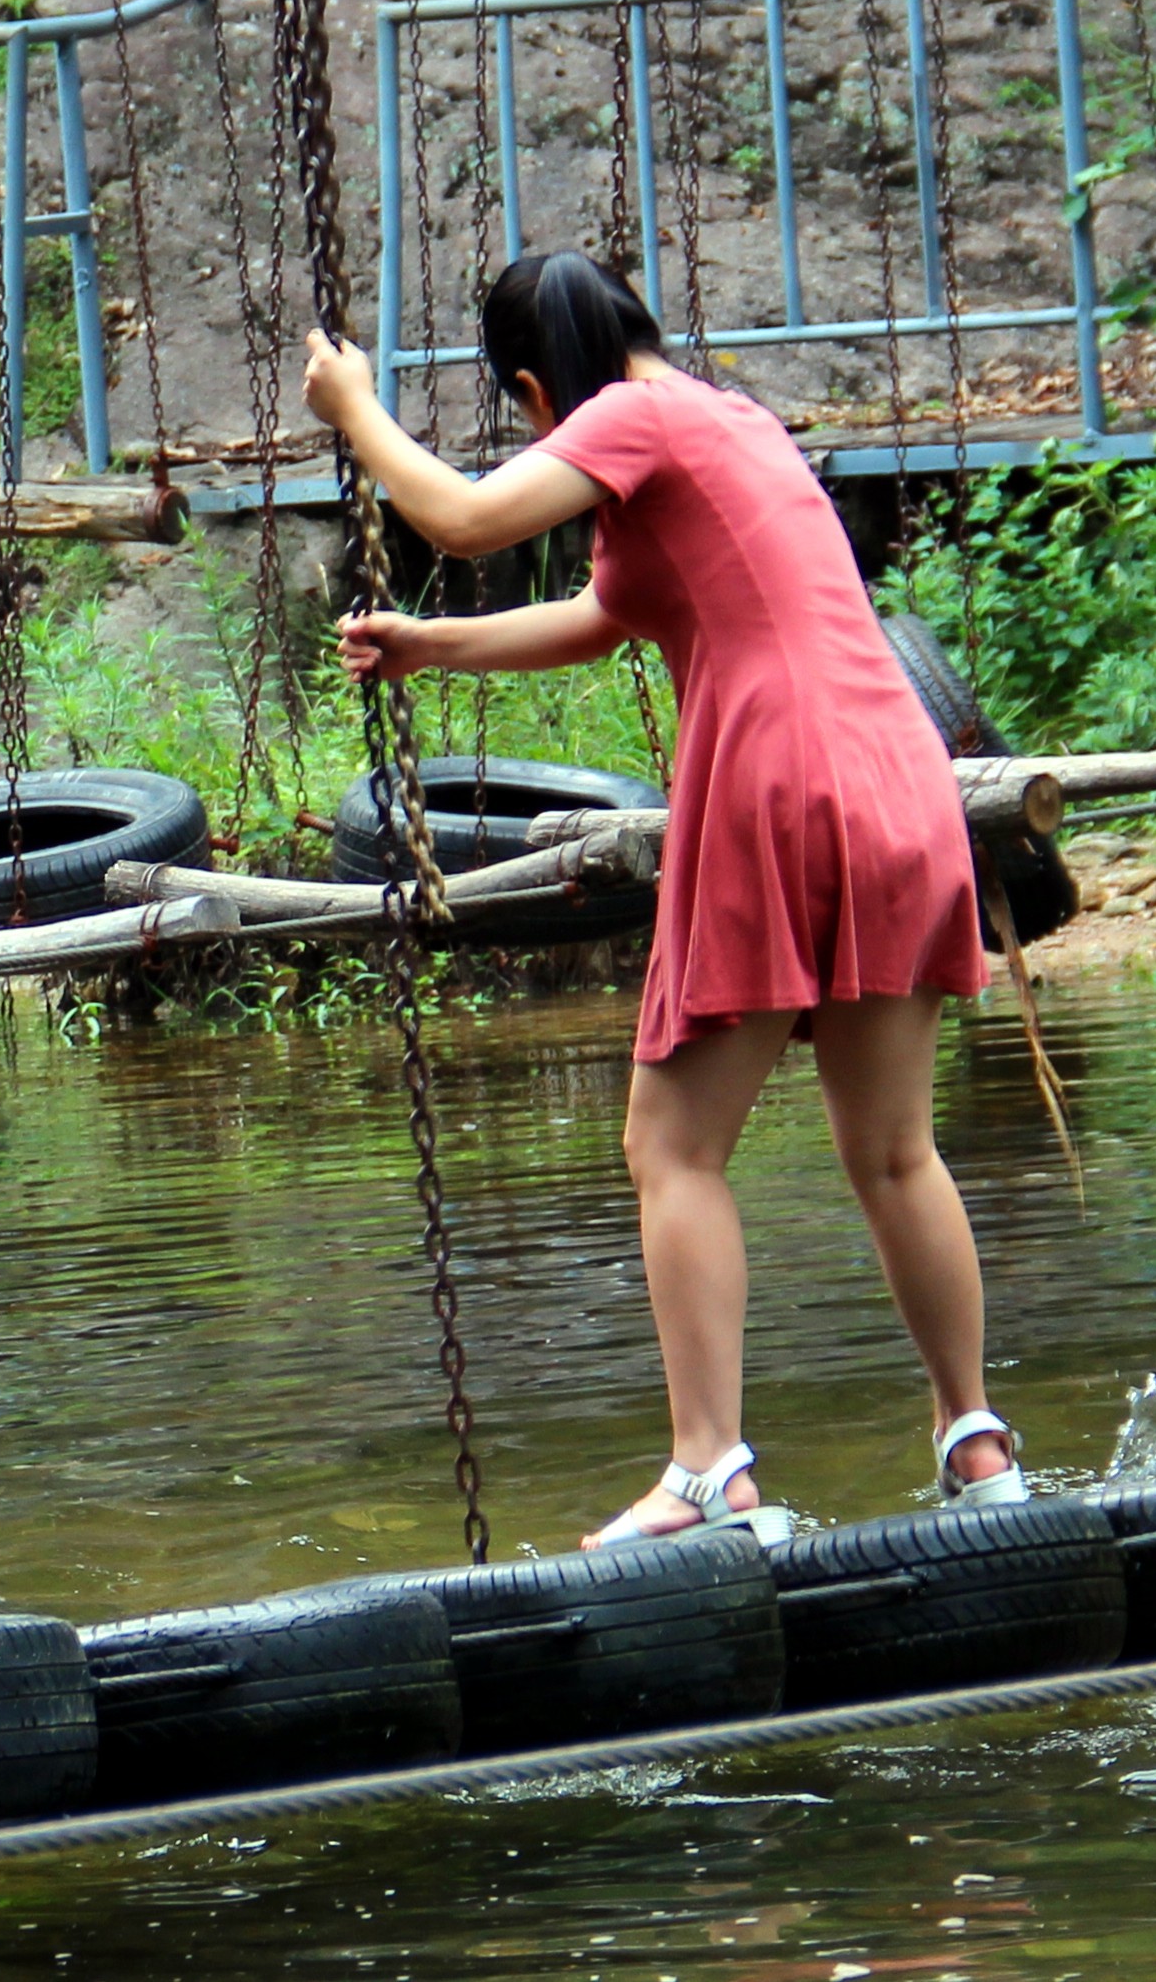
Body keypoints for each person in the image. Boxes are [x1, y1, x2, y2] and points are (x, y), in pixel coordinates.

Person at [299, 249, 1023, 1547]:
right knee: (894, 1151)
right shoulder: (730, 422)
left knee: (671, 1149)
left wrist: (357, 414)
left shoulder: (625, 417)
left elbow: (461, 522)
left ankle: (708, 1474)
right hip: (899, 773)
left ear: (534, 389)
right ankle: (977, 1445)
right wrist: (430, 646)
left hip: (775, 782)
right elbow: (607, 612)